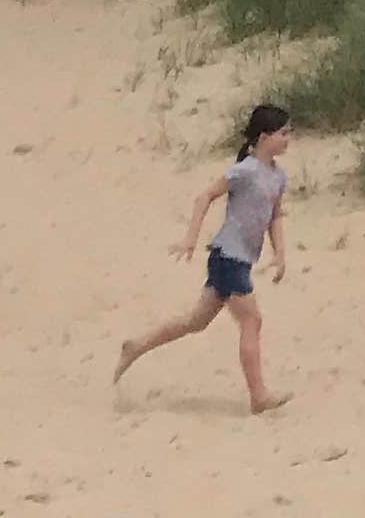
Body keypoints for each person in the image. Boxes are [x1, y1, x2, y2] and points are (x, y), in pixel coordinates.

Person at [113, 102, 293, 415]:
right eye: (284, 133)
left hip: (240, 259)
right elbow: (205, 196)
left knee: (195, 322)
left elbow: (275, 216)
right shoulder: (245, 171)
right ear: (265, 137)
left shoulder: (278, 176)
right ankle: (259, 396)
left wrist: (280, 254)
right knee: (252, 320)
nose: (289, 138)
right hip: (227, 257)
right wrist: (190, 239)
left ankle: (136, 345)